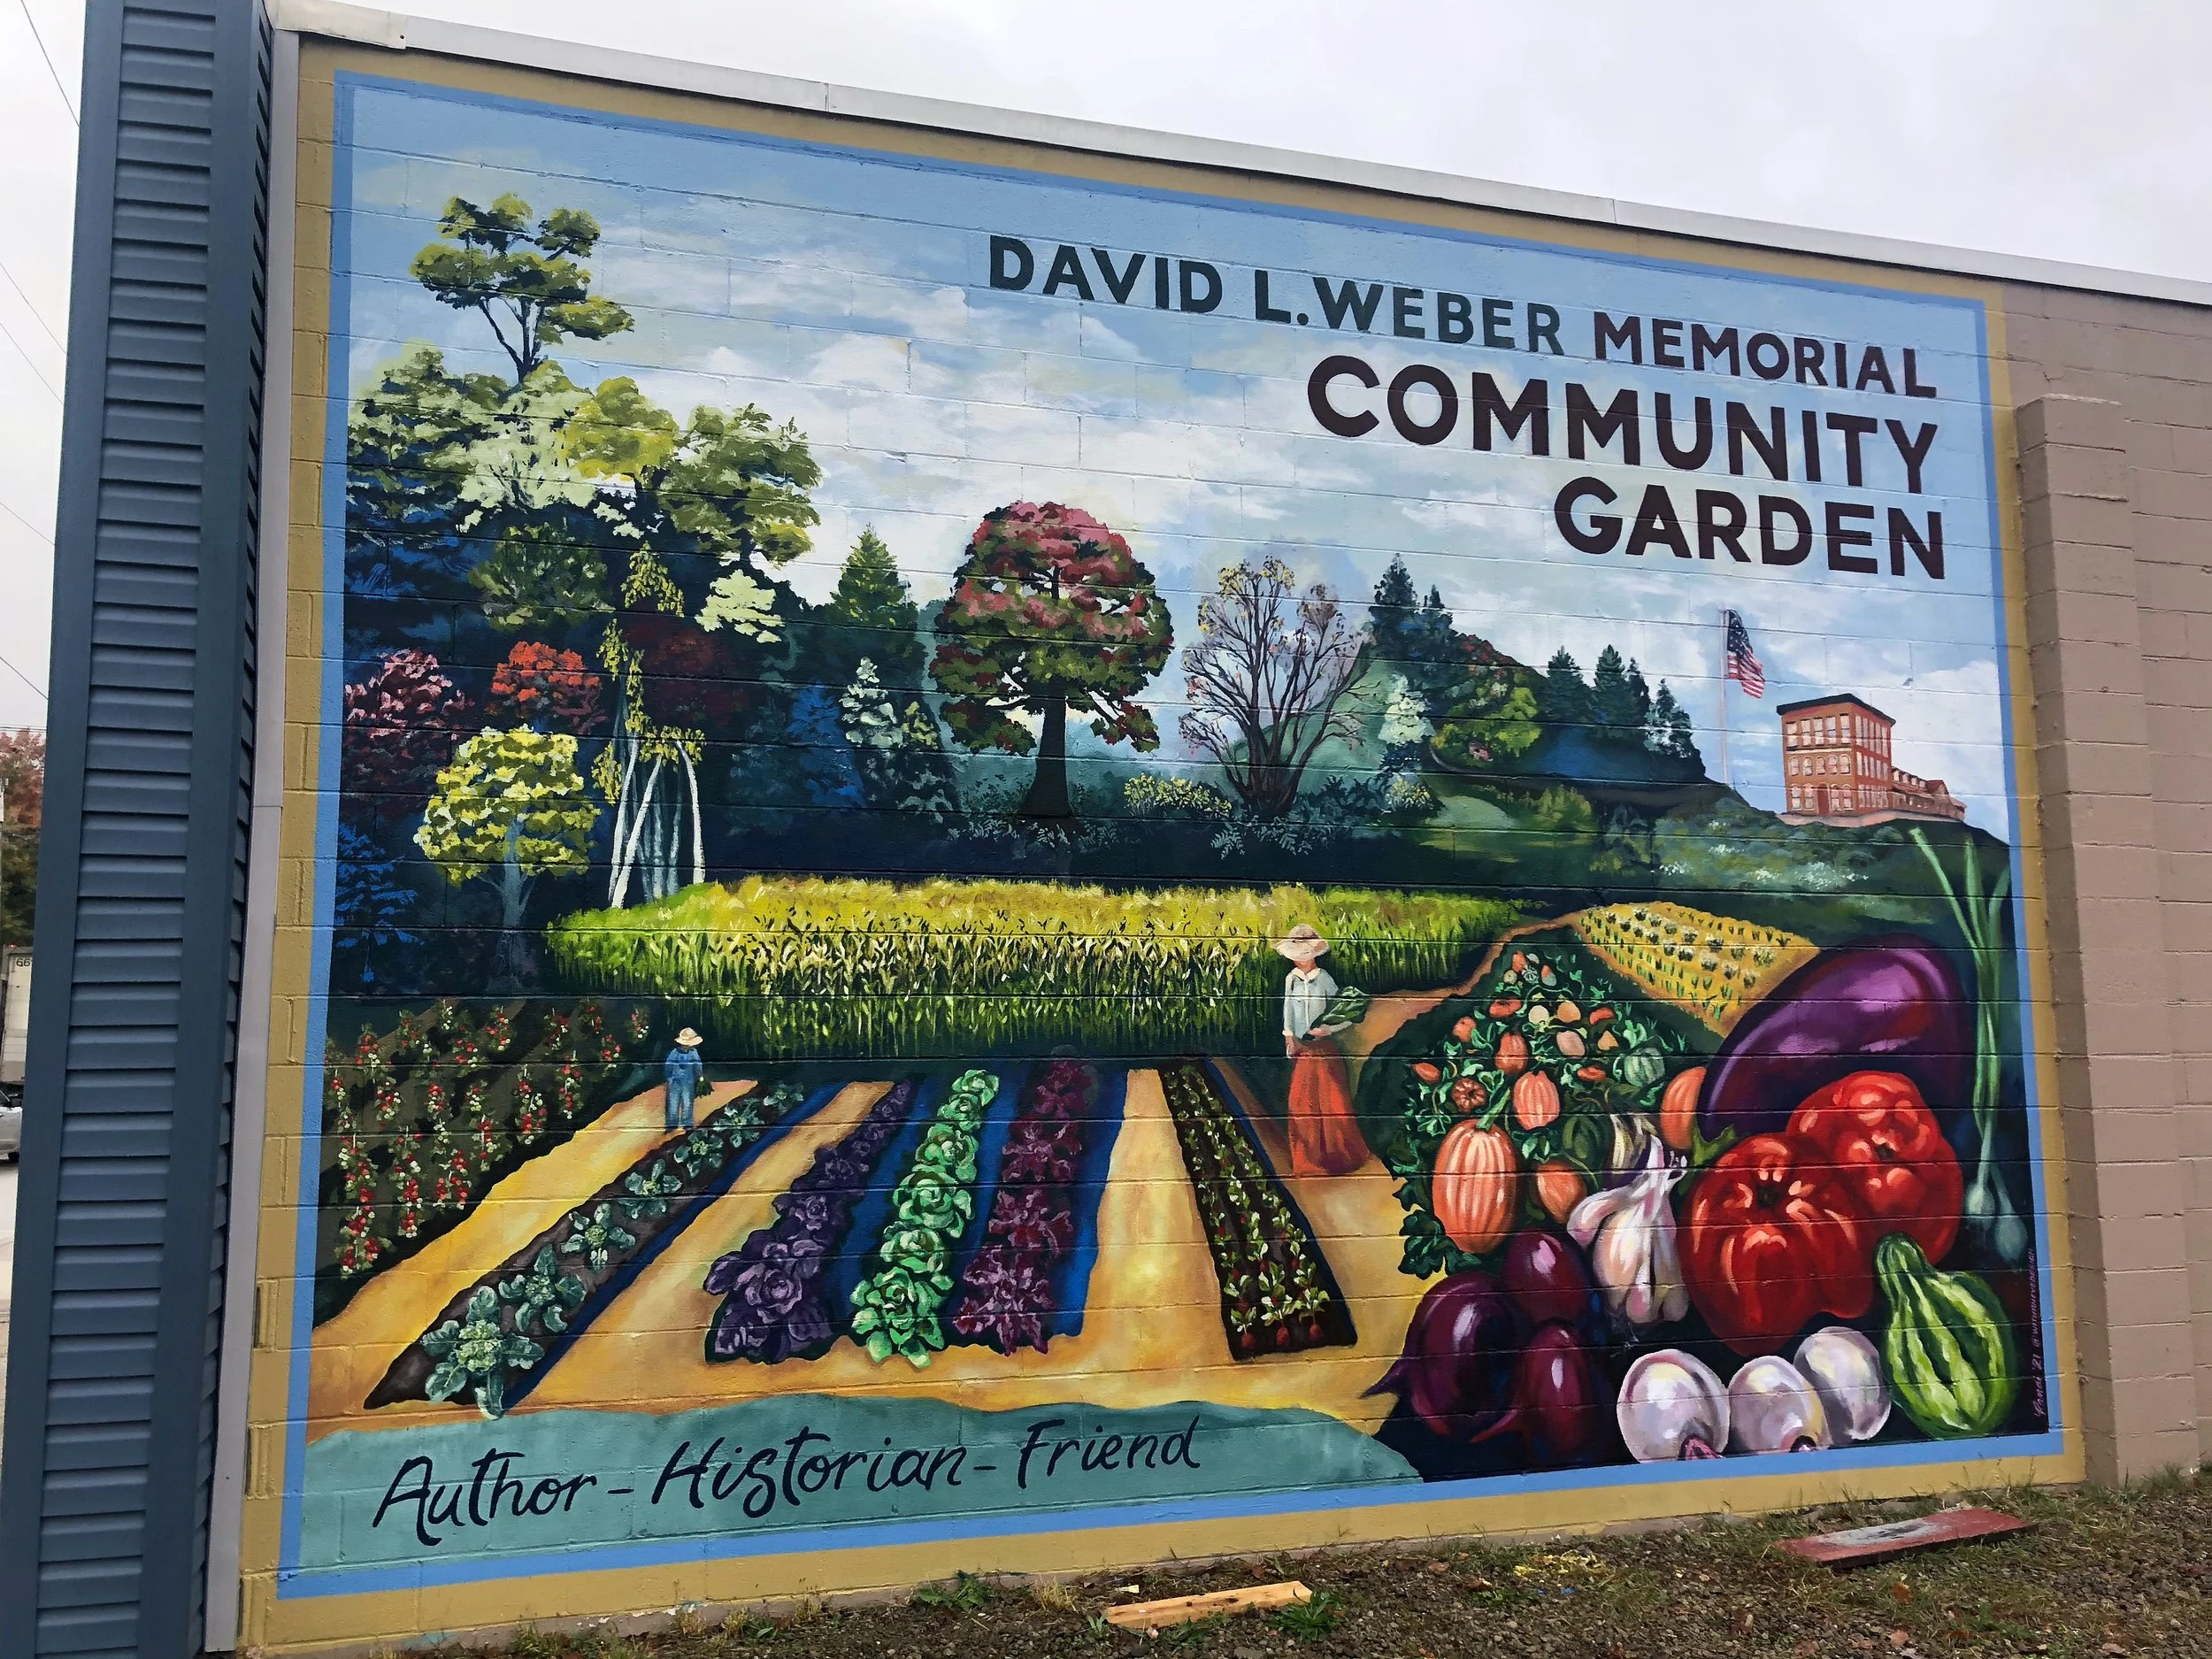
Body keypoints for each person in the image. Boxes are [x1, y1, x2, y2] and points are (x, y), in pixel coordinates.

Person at [1277, 925, 1369, 1178]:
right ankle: (1309, 1158)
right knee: (1302, 1102)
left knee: (1332, 1102)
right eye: (1296, 953)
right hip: (1304, 1050)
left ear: (1314, 954)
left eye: (1304, 953)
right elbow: (1288, 1010)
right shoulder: (1291, 979)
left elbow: (1347, 1013)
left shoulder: (1325, 979)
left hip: (1324, 1050)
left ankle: (1337, 1156)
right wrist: (1289, 1037)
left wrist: (1329, 1029)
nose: (1300, 958)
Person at [664, 1027, 705, 1132]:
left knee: (687, 1102)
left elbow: (697, 1066)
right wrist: (669, 1078)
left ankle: (687, 1123)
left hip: (688, 1082)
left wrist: (700, 1076)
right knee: (674, 1102)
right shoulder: (675, 1053)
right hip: (676, 1082)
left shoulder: (693, 1053)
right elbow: (668, 1065)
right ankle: (672, 1124)